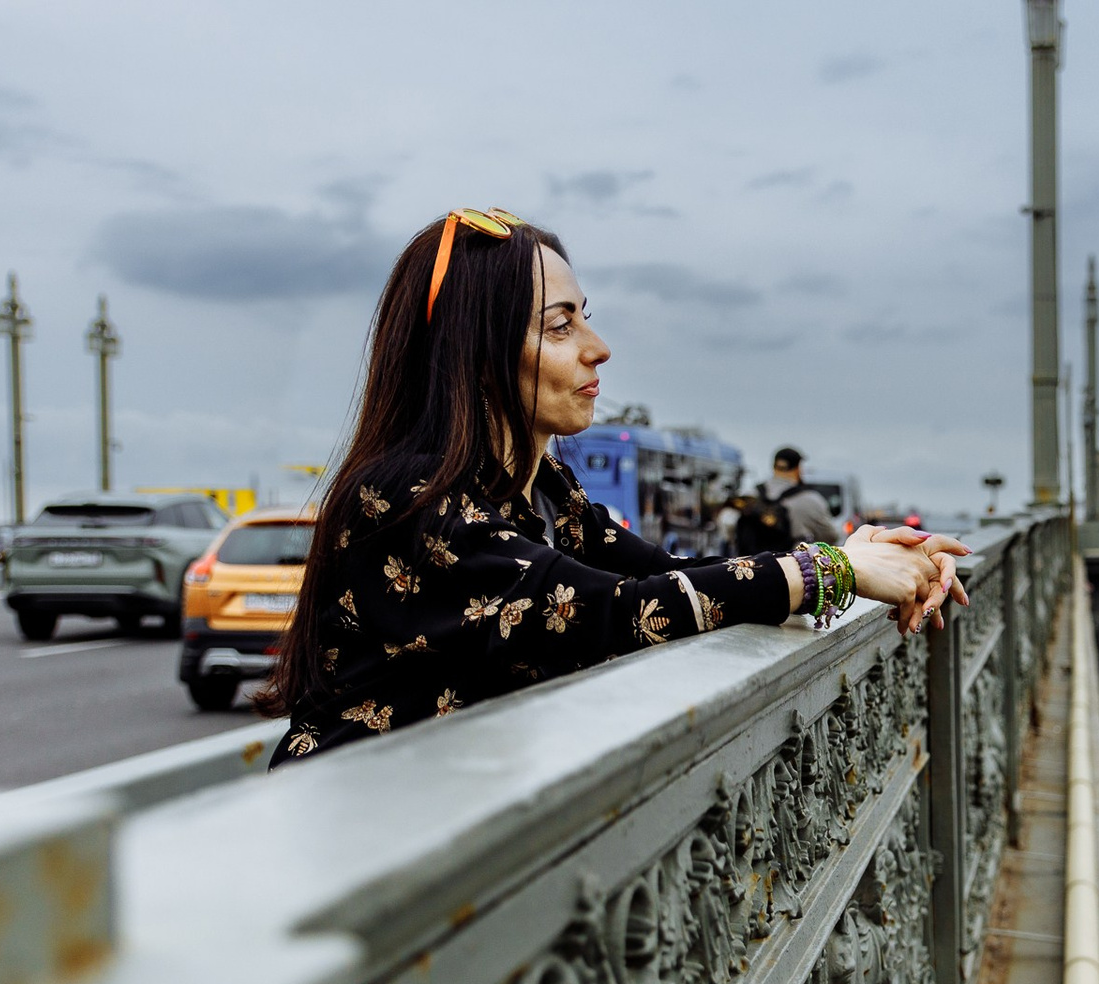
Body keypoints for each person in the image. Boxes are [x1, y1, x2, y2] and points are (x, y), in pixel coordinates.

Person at [256, 207, 966, 765]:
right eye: (560, 326)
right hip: (360, 855)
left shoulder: (546, 493)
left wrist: (859, 557)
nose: (597, 348)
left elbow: (672, 576)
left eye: (584, 318)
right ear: (476, 354)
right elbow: (607, 611)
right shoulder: (406, 498)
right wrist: (830, 570)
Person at [734, 447, 836, 554]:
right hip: (788, 562)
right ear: (798, 468)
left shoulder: (749, 495)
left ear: (774, 467)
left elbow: (728, 524)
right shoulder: (809, 500)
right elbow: (830, 536)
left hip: (750, 562)